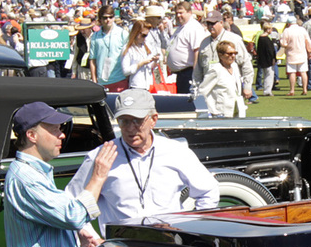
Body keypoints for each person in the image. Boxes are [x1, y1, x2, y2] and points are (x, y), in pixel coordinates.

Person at [3, 102, 117, 247]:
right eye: (54, 130)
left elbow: (57, 220)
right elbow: (72, 215)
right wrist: (98, 176)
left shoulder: (34, 172)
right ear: (32, 135)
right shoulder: (26, 177)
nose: (62, 135)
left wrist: (77, 235)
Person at [66, 88, 219, 231]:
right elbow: (71, 201)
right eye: (124, 121)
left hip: (170, 243)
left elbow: (208, 191)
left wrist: (192, 228)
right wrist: (88, 235)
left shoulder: (175, 151)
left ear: (153, 119)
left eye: (137, 121)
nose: (130, 128)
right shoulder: (100, 157)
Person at [165, 2, 209, 94]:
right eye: (176, 13)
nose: (178, 15)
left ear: (189, 12)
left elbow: (197, 51)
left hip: (189, 73)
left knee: (188, 104)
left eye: (181, 12)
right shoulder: (181, 27)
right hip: (180, 74)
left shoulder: (193, 27)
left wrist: (195, 74)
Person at [198, 40, 243, 117]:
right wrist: (212, 110)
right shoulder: (215, 70)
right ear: (221, 55)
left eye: (234, 53)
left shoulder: (235, 67)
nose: (232, 56)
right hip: (220, 113)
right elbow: (202, 92)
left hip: (237, 111)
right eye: (229, 53)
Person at [120, 17, 165, 90]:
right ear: (136, 33)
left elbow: (151, 67)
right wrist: (140, 64)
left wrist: (155, 61)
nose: (145, 38)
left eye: (146, 35)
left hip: (149, 85)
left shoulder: (147, 46)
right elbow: (125, 71)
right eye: (143, 35)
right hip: (136, 86)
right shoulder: (128, 49)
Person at [89, 8, 128, 88]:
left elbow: (128, 56)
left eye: (111, 17)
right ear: (100, 19)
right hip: (101, 82)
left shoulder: (122, 33)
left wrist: (128, 78)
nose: (108, 20)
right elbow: (92, 60)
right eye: (105, 18)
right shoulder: (95, 36)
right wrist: (94, 80)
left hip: (120, 79)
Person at [281, 17, 311, 95]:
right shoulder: (302, 30)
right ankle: (305, 89)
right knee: (303, 72)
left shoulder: (287, 31)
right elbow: (308, 41)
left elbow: (283, 43)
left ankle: (292, 90)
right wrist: (310, 51)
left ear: (288, 23)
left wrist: (286, 45)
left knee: (292, 72)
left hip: (291, 53)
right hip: (302, 53)